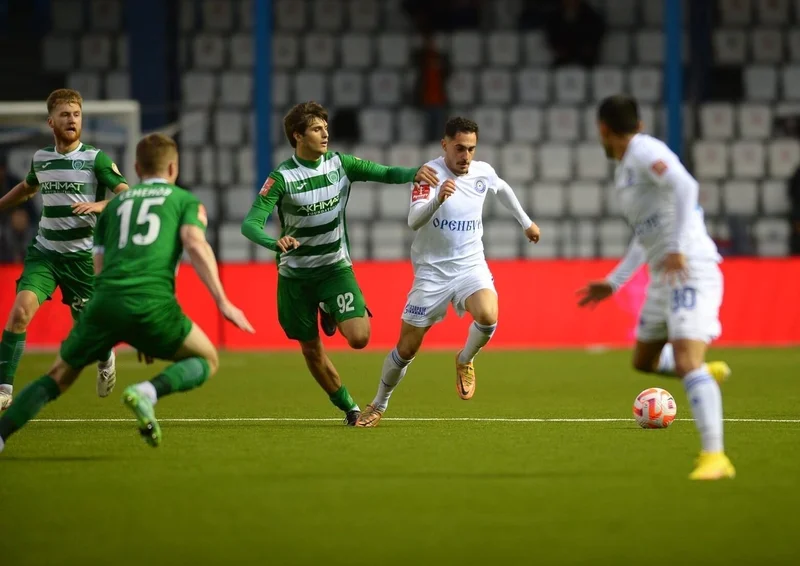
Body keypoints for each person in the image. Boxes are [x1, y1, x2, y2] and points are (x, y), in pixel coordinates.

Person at [0, 133, 254, 452]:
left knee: (57, 376)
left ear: (136, 168)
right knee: (208, 358)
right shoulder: (185, 201)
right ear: (173, 168)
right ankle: (147, 392)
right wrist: (223, 301)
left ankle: (2, 434)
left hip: (104, 302)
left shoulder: (114, 206)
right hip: (152, 304)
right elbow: (194, 243)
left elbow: (99, 266)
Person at [241, 101, 440, 426]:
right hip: (295, 277)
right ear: (298, 136)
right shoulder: (281, 178)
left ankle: (329, 307)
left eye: (326, 128)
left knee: (360, 337)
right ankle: (349, 407)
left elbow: (383, 172)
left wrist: (412, 173)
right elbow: (250, 224)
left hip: (334, 268)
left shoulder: (339, 164)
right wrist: (272, 242)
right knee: (311, 350)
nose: (325, 134)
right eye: (316, 129)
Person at [577, 94, 734, 480]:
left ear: (603, 129)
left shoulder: (644, 150)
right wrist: (614, 282)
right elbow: (645, 235)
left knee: (684, 360)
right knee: (644, 360)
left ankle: (715, 457)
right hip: (664, 276)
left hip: (689, 267)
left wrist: (677, 247)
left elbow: (686, 186)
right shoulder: (626, 170)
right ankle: (702, 372)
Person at [356, 117, 540, 427]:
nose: (466, 156)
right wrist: (438, 199)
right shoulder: (428, 175)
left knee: (488, 315)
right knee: (406, 348)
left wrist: (526, 222)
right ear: (445, 145)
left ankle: (465, 359)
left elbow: (502, 188)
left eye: (471, 149)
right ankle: (378, 404)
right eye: (459, 148)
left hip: (470, 265)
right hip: (432, 272)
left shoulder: (482, 172)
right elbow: (414, 221)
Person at [0, 88, 129, 411]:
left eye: (76, 114)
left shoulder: (95, 159)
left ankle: (105, 358)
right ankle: (3, 390)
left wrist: (99, 205)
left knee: (89, 332)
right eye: (65, 115)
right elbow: (28, 188)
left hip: (80, 259)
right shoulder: (42, 158)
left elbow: (126, 194)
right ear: (51, 122)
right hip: (44, 253)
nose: (72, 120)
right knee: (19, 313)